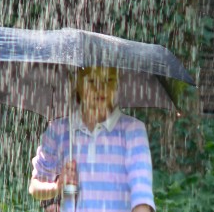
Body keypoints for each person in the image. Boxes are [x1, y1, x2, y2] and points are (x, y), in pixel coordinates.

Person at [29, 67, 155, 212]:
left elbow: (141, 192)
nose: (101, 88)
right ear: (75, 81)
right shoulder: (59, 130)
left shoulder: (132, 130)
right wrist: (57, 186)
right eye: (91, 80)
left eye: (109, 80)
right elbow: (35, 187)